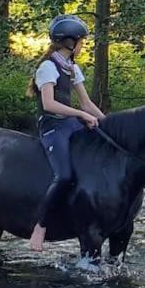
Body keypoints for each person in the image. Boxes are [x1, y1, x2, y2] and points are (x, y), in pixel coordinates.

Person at [27, 14, 105, 251]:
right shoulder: (47, 68)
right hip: (52, 127)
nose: (83, 45)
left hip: (69, 123)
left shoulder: (71, 67)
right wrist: (81, 116)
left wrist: (109, 124)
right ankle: (40, 228)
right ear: (70, 42)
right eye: (81, 41)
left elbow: (86, 103)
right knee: (64, 176)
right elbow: (49, 104)